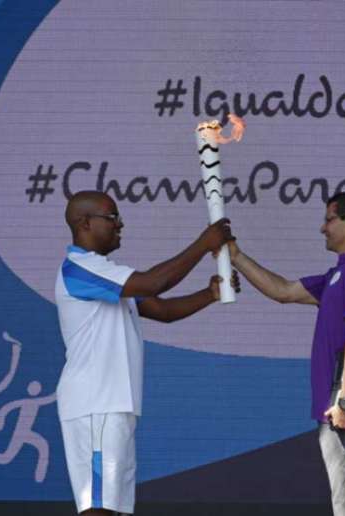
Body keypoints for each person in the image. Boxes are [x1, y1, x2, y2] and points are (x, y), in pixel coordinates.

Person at [55, 190, 238, 515]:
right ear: (85, 223)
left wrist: (209, 294)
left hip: (115, 405)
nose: (120, 224)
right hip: (95, 404)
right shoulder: (81, 269)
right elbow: (153, 283)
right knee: (97, 508)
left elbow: (163, 309)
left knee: (114, 508)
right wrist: (203, 244)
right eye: (112, 218)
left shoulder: (106, 276)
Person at [229, 191, 345, 516]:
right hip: (340, 408)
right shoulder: (338, 274)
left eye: (329, 219)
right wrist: (235, 255)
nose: (322, 228)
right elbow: (284, 291)